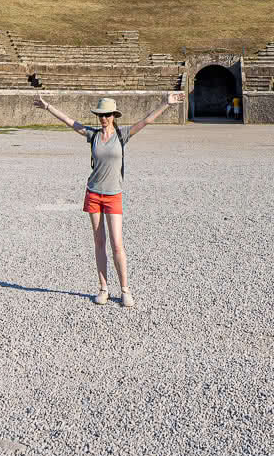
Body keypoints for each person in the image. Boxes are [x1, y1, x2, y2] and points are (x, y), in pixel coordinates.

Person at [34, 91, 174, 307]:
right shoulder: (93, 135)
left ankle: (125, 289)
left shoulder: (123, 134)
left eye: (107, 114)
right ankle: (103, 288)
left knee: (117, 244)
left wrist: (166, 103)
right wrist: (48, 107)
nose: (104, 118)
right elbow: (70, 122)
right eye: (101, 114)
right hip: (93, 193)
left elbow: (146, 120)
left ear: (114, 115)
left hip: (113, 195)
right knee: (99, 242)